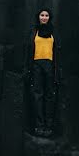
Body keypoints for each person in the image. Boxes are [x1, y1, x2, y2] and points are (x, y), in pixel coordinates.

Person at [25, 8, 59, 137]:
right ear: (38, 17)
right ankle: (39, 126)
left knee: (50, 95)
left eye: (46, 15)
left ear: (49, 18)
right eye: (42, 15)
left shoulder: (53, 33)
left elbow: (57, 52)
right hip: (36, 65)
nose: (44, 17)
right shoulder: (34, 31)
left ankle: (48, 126)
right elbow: (28, 51)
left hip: (50, 65)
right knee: (37, 95)